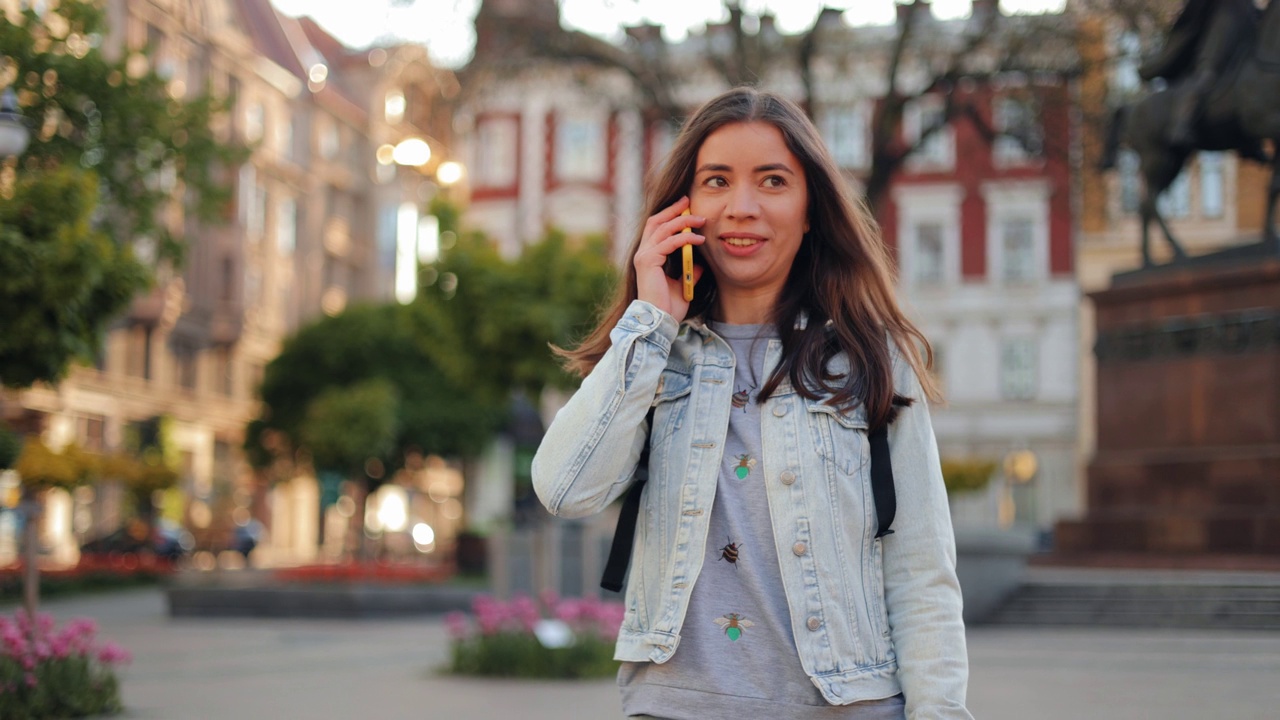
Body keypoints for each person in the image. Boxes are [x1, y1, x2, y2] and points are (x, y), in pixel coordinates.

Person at [532, 87, 970, 719]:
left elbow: (921, 569)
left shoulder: (873, 358)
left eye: (772, 181)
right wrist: (650, 321)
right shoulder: (652, 352)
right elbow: (564, 489)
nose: (742, 208)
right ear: (684, 208)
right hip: (674, 706)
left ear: (810, 207)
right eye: (716, 181)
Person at [1138, 0, 1261, 149]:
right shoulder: (1223, 7)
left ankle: (1251, 140)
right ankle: (1180, 123)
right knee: (1205, 79)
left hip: (1239, 57)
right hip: (1214, 54)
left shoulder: (1247, 7)